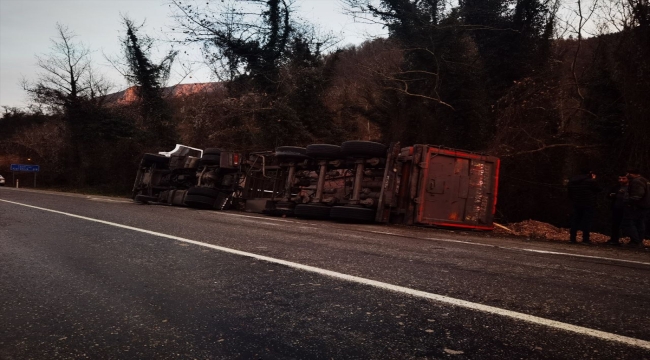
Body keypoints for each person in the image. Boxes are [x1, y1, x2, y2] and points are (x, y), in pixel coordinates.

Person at [567, 170, 601, 244]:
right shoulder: (590, 182)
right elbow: (598, 189)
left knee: (575, 220)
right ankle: (585, 238)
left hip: (576, 203)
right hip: (588, 203)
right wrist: (594, 180)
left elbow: (569, 192)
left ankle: (572, 238)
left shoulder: (572, 181)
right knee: (587, 221)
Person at [622, 169, 650, 247]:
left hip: (636, 206)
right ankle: (638, 240)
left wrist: (629, 201)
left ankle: (635, 240)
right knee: (640, 223)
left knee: (629, 222)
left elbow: (637, 195)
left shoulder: (637, 181)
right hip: (644, 206)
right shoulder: (645, 181)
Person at [605, 174, 629, 245]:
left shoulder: (631, 187)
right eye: (620, 178)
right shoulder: (616, 187)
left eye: (623, 178)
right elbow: (608, 195)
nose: (621, 180)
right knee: (615, 224)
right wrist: (612, 195)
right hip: (616, 207)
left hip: (627, 208)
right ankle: (614, 239)